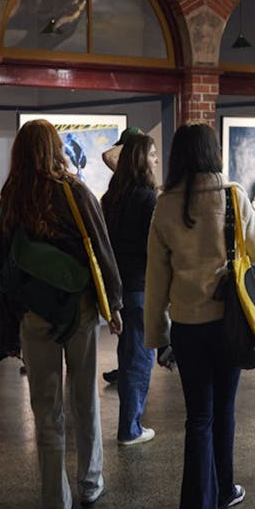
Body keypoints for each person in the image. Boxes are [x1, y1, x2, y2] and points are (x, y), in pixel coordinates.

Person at [0, 119, 124, 509]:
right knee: (85, 400)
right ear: (55, 148)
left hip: (35, 317)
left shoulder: (10, 200)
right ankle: (90, 483)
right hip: (81, 312)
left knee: (45, 411)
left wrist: (8, 328)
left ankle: (56, 502)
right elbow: (101, 251)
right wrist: (113, 303)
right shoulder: (75, 191)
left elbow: (1, 269)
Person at [145, 123, 255, 509]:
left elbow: (155, 281)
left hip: (187, 327)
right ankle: (225, 489)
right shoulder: (232, 196)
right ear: (212, 153)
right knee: (225, 409)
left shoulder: (165, 205)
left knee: (198, 417)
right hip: (227, 325)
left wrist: (157, 337)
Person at [101, 130, 158, 446]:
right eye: (151, 154)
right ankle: (130, 428)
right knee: (138, 360)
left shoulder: (112, 197)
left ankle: (130, 423)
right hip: (140, 288)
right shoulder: (147, 199)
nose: (156, 160)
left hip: (120, 288)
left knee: (128, 357)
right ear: (139, 159)